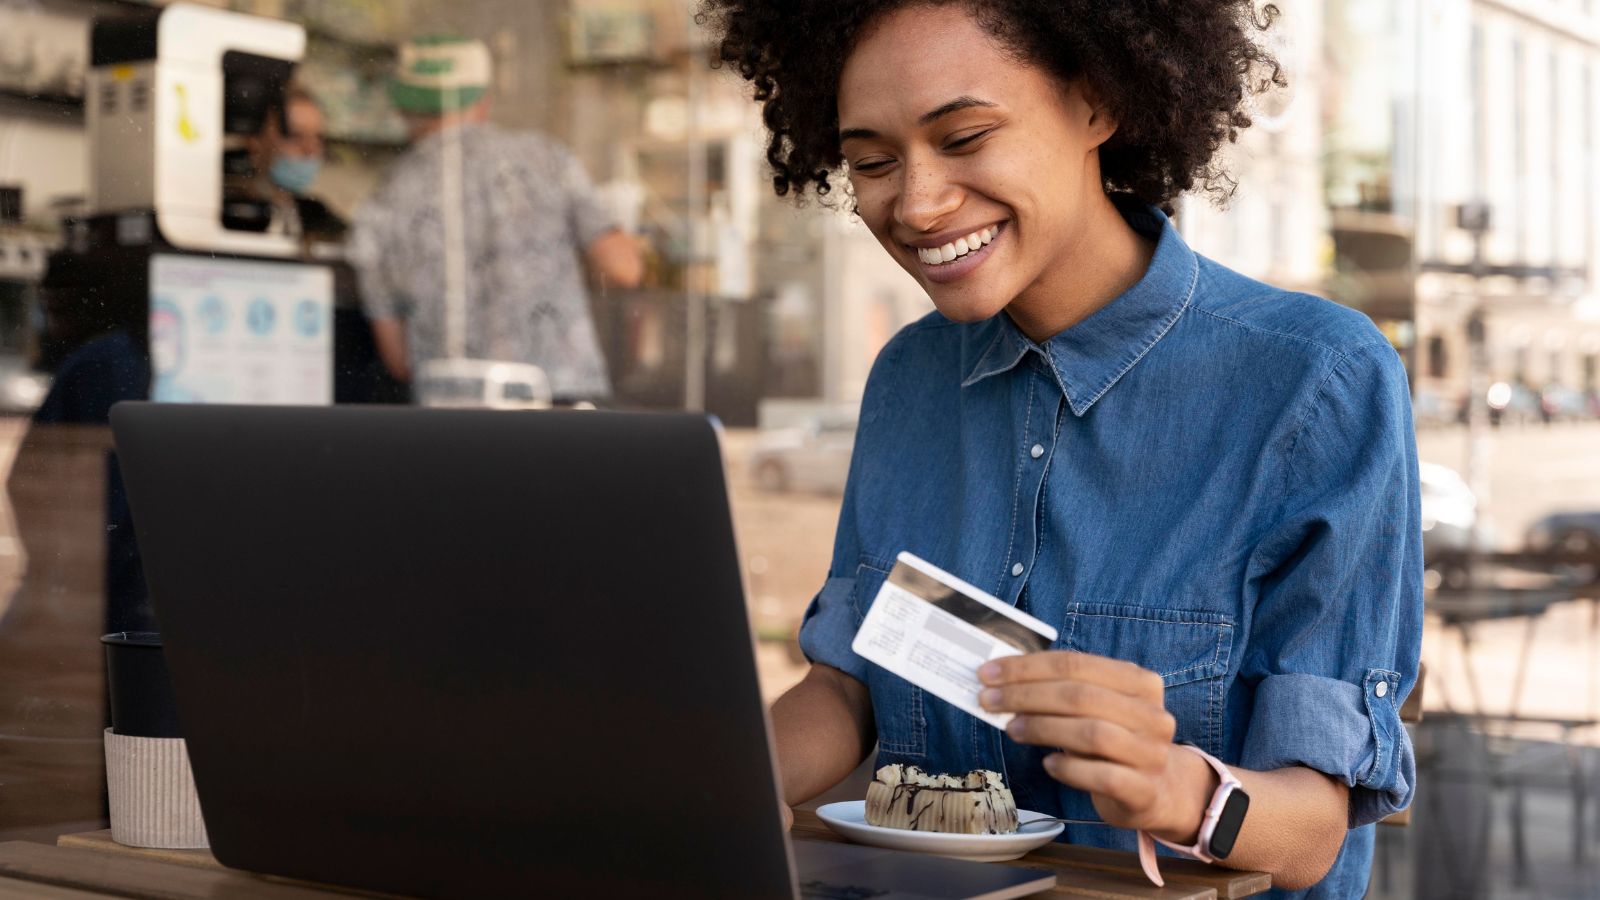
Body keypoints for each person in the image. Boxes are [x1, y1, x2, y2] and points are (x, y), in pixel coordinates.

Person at [702, 3, 1421, 897]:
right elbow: (847, 687)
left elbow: (1314, 832)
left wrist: (1170, 786)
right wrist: (705, 788)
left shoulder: (1314, 382)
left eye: (964, 136)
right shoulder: (911, 377)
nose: (917, 203)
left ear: (1096, 103)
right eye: (872, 162)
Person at [347, 36, 643, 404]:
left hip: (448, 411)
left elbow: (397, 359)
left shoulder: (381, 200)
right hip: (555, 397)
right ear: (483, 100)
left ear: (405, 109)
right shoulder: (546, 159)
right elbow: (623, 267)